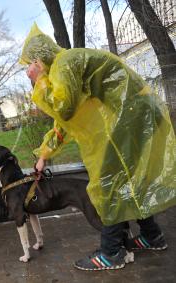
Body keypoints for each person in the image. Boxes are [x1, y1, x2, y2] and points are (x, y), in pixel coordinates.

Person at [20, 23, 176, 271]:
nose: (28, 70)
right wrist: (44, 154)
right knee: (127, 180)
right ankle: (151, 235)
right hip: (135, 116)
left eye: (29, 63)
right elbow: (65, 122)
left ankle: (112, 251)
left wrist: (40, 81)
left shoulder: (63, 64)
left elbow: (64, 109)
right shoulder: (66, 67)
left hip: (129, 118)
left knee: (107, 183)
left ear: (39, 60)